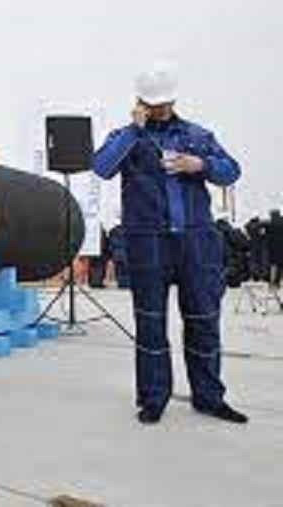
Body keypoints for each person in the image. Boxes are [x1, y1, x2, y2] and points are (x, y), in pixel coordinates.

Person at [93, 62, 248, 424]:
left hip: (197, 241)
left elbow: (232, 170)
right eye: (152, 103)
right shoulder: (126, 137)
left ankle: (209, 397)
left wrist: (201, 165)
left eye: (164, 103)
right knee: (150, 323)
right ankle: (153, 398)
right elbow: (102, 167)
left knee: (203, 321)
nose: (159, 109)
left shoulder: (198, 135)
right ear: (140, 101)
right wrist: (134, 129)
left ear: (173, 100)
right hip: (147, 243)